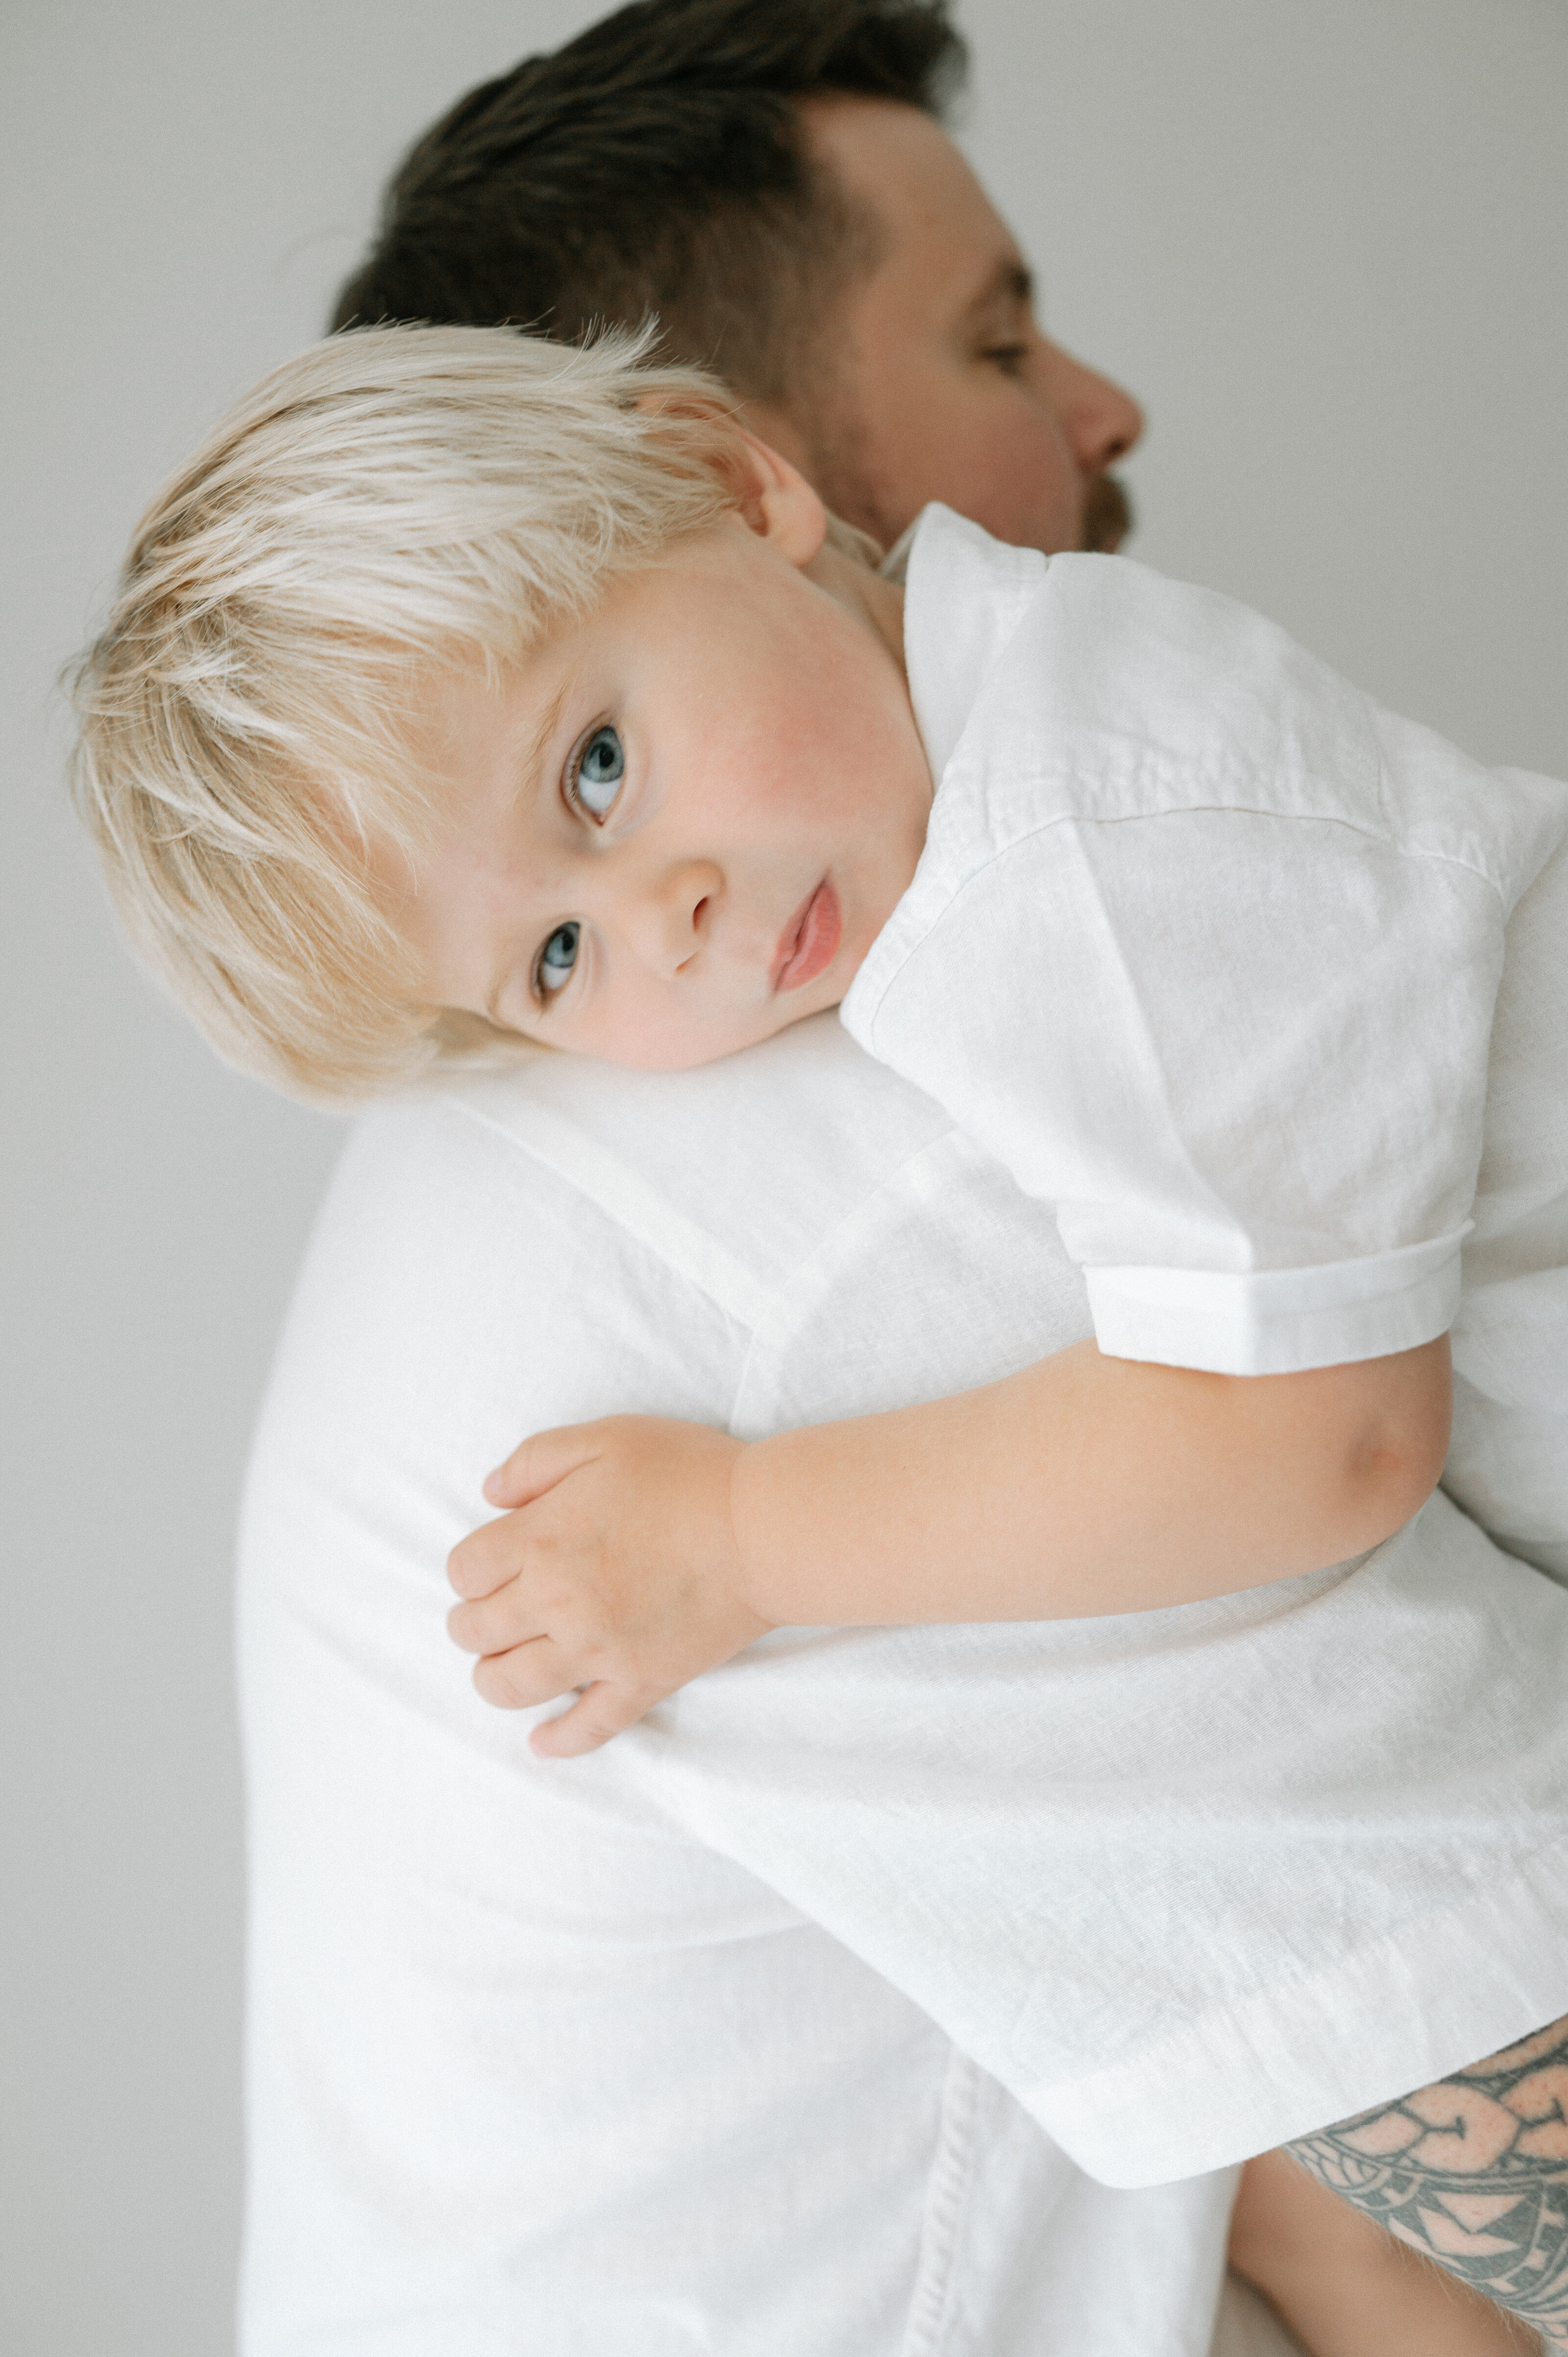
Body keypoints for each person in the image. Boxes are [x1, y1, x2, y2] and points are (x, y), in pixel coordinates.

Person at [81, 6, 1566, 2350]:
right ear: (750, 460)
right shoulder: (847, 1170)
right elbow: (1486, 2053)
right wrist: (732, 1543)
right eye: (993, 338)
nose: (1101, 417)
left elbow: (1325, 2153)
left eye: (601, 766)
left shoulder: (1067, 882)